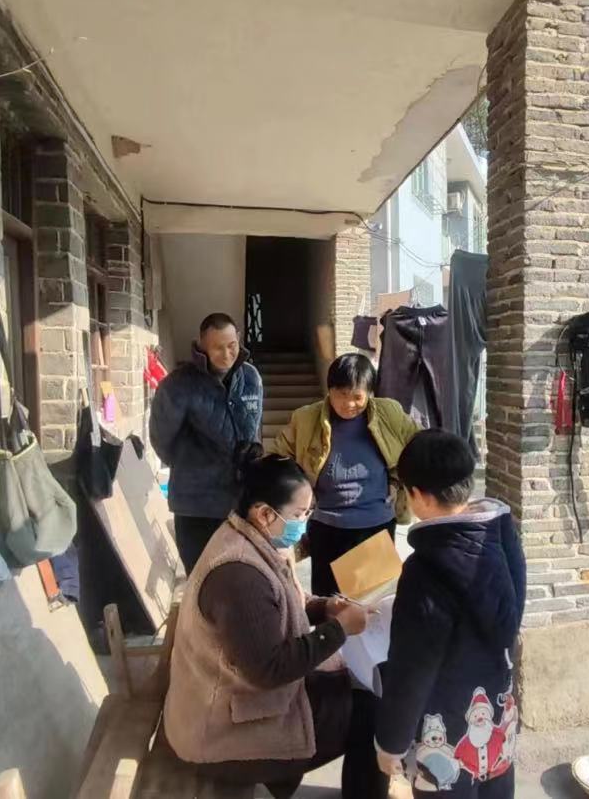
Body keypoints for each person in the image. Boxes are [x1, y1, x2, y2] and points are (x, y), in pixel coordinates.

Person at [162, 452, 389, 799]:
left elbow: (283, 603)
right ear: (265, 513)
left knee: (352, 688)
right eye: (299, 514)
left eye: (308, 513)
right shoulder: (239, 575)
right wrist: (340, 629)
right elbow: (269, 670)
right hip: (221, 733)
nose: (305, 523)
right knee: (373, 714)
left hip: (233, 702)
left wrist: (325, 608)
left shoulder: (248, 539)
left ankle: (292, 779)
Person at [374, 430, 526, 798]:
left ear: (418, 494)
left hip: (445, 725)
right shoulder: (503, 538)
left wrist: (390, 743)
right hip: (497, 711)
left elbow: (412, 669)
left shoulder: (425, 570)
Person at [274, 353, 420, 596]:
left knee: (372, 604)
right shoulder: (305, 419)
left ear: (370, 393)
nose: (349, 404)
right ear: (329, 390)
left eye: (357, 397)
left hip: (375, 524)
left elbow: (418, 447)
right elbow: (279, 458)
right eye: (341, 394)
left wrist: (396, 482)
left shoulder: (389, 414)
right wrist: (301, 492)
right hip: (327, 526)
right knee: (329, 604)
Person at [149, 312, 263, 574]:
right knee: (201, 577)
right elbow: (162, 439)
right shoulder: (178, 385)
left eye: (232, 345)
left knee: (240, 578)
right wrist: (192, 463)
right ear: (202, 347)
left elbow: (256, 427)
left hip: (241, 502)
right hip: (196, 505)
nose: (227, 354)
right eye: (218, 348)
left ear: (239, 339)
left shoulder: (251, 378)